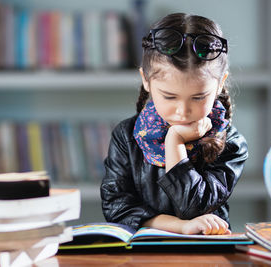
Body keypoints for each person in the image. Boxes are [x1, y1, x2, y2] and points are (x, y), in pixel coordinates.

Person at [100, 13, 248, 235]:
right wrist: (181, 227)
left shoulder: (231, 143)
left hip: (205, 253)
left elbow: (194, 208)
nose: (183, 111)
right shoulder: (126, 135)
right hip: (140, 256)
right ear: (146, 81)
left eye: (198, 97)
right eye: (170, 97)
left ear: (219, 85)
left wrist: (174, 142)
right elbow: (117, 209)